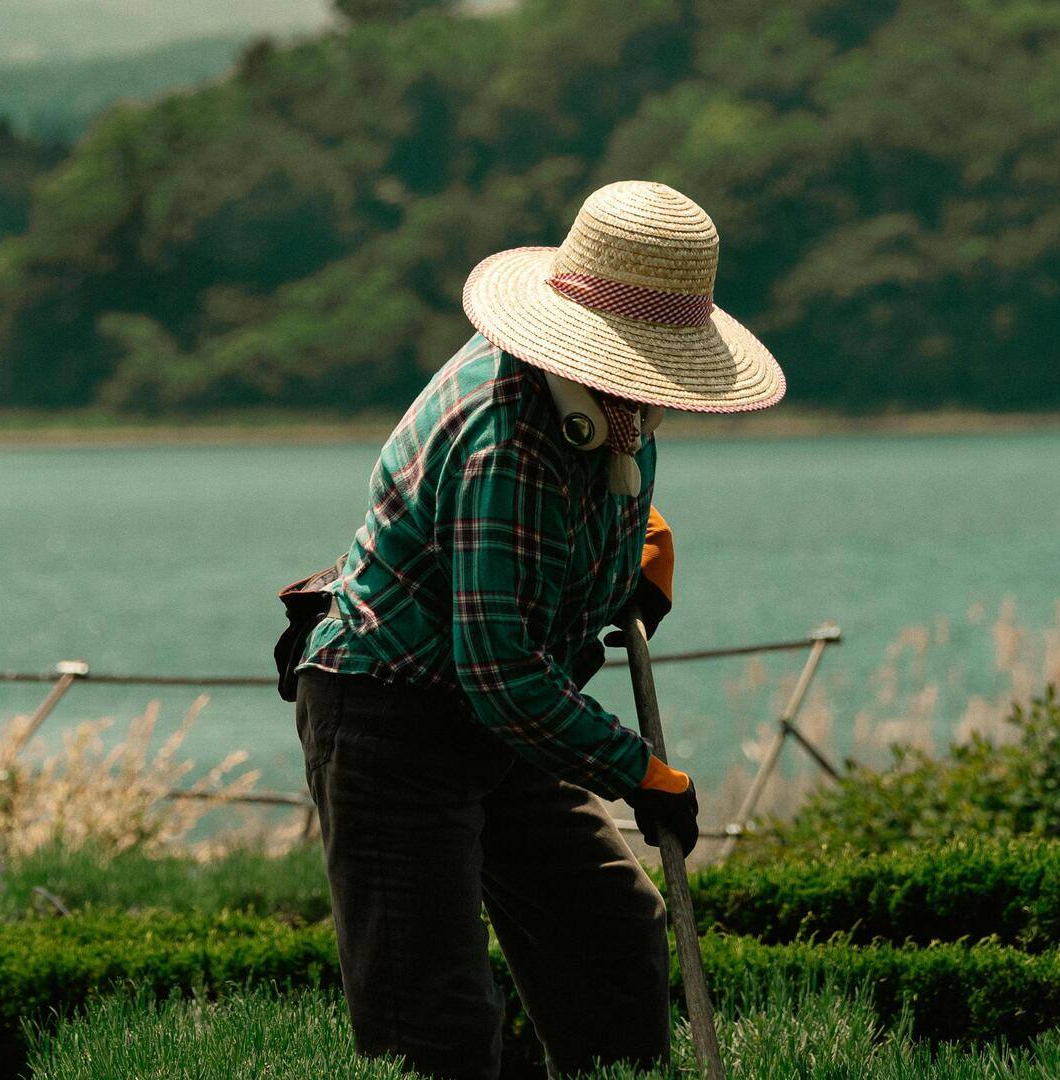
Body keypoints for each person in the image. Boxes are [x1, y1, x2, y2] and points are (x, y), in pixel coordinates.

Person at [289, 180, 786, 1079]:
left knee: (608, 932)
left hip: (499, 717)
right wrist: (636, 769)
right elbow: (502, 671)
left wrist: (628, 554)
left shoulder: (613, 411)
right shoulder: (506, 438)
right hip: (393, 717)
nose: (653, 388)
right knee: (432, 1026)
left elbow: (564, 542)